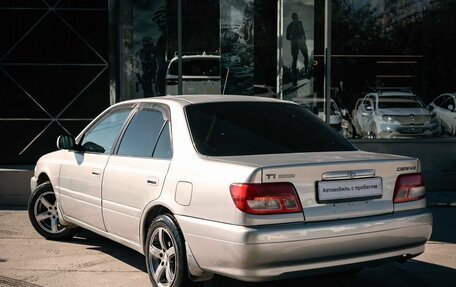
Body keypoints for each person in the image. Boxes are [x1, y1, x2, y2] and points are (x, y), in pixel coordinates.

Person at [286, 12, 309, 83]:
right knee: (306, 56)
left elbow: (287, 37)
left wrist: (292, 39)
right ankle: (305, 71)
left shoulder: (289, 26)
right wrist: (304, 38)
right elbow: (303, 31)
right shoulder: (300, 23)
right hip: (300, 41)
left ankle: (294, 76)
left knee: (294, 59)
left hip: (294, 43)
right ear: (296, 17)